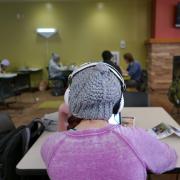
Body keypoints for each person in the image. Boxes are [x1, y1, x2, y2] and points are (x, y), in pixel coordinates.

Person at [41, 63, 177, 180]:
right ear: (119, 104)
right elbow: (170, 158)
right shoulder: (135, 138)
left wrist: (62, 116)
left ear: (70, 99)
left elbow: (60, 140)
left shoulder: (51, 145)